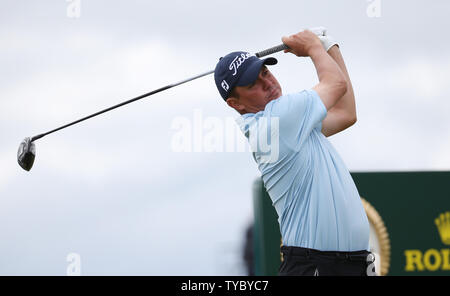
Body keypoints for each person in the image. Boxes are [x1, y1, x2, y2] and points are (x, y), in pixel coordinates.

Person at [214, 28, 375, 276]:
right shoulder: (277, 120)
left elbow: (345, 114)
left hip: (348, 265)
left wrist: (328, 47)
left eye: (265, 72)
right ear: (236, 104)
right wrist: (313, 47)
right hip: (315, 266)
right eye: (253, 84)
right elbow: (336, 83)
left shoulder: (289, 123)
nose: (267, 82)